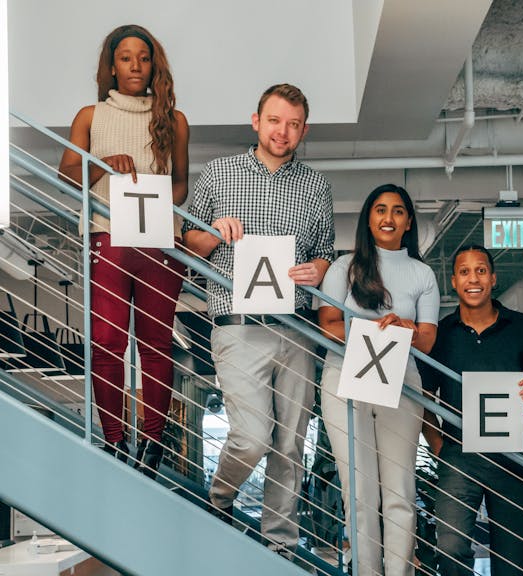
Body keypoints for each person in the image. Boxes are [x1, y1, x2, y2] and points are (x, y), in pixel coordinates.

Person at [183, 83, 334, 556]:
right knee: (251, 438)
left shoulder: (315, 185)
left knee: (289, 446)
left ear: (303, 130)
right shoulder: (219, 173)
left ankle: (280, 547)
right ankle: (221, 499)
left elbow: (326, 252)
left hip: (296, 328)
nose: (282, 131)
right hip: (239, 325)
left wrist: (322, 268)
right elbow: (187, 243)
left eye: (293, 124)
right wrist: (213, 233)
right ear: (256, 121)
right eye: (274, 120)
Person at [58, 24, 189, 478]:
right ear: (112, 66)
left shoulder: (174, 120)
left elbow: (180, 186)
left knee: (155, 345)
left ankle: (151, 444)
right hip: (107, 237)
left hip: (158, 243)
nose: (136, 65)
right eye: (126, 57)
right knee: (108, 342)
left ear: (155, 65)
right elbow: (67, 175)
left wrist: (153, 201)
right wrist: (102, 165)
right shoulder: (90, 116)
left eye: (144, 57)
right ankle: (115, 440)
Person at [319, 184, 440, 576]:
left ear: (408, 222)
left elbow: (427, 338)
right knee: (359, 490)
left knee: (400, 492)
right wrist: (370, 326)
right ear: (368, 219)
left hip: (402, 378)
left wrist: (404, 327)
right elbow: (327, 327)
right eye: (380, 210)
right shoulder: (343, 267)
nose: (389, 218)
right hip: (345, 376)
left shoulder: (422, 273)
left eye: (398, 211)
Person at [420, 244, 523, 576]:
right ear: (453, 281)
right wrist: (440, 448)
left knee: (512, 562)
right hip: (459, 458)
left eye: (480, 270)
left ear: (493, 278)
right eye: (464, 272)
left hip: (514, 459)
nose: (473, 278)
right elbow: (422, 398)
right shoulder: (441, 334)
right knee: (449, 549)